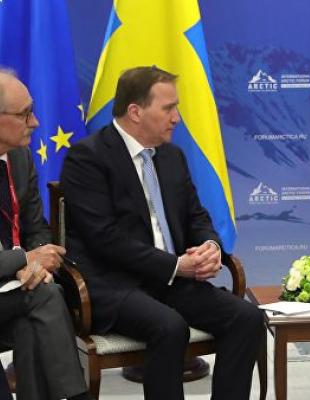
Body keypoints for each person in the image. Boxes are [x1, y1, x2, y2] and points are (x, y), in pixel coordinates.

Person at [61, 66, 264, 400]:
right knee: (169, 327)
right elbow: (104, 238)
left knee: (247, 317)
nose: (177, 118)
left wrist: (210, 246)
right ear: (135, 111)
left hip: (172, 282)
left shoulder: (172, 156)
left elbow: (196, 216)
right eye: (169, 108)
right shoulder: (88, 158)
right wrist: (176, 266)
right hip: (115, 284)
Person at [0, 70, 91, 400]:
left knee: (34, 317)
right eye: (25, 114)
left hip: (14, 289)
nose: (36, 122)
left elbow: (36, 226)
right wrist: (24, 259)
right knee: (46, 298)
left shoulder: (20, 157)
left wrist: (37, 264)